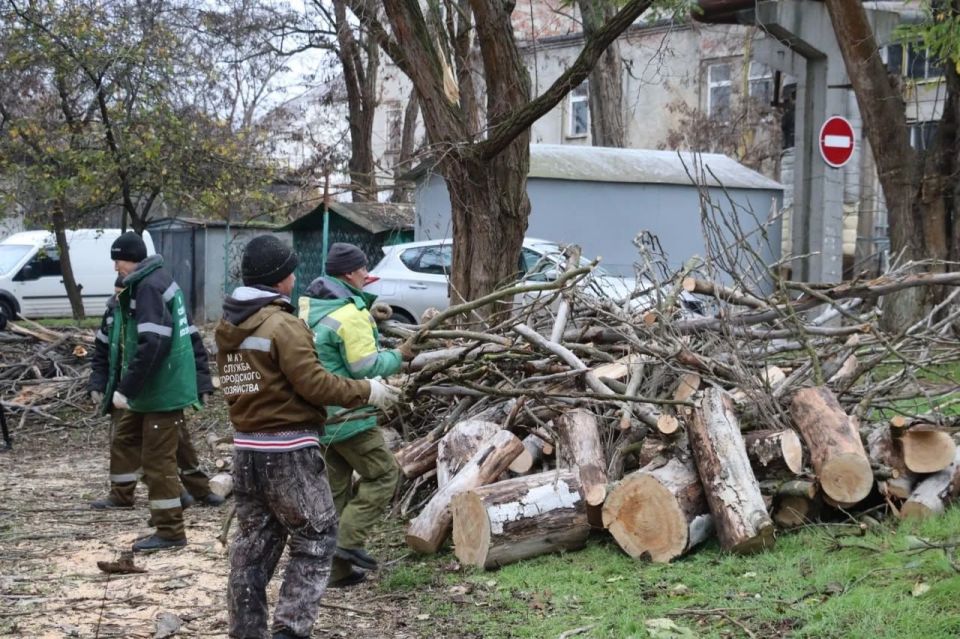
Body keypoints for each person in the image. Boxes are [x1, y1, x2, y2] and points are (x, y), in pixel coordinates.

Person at [215, 234, 400, 639]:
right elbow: (315, 385)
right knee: (317, 538)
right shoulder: (282, 324)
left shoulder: (229, 326)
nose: (296, 277)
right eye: (291, 271)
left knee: (252, 549)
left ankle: (246, 632)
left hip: (246, 449)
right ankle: (290, 632)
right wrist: (368, 391)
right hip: (289, 450)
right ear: (279, 278)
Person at [299, 242, 415, 587]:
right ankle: (346, 545)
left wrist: (372, 315)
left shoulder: (310, 309)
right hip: (350, 415)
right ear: (350, 273)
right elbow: (365, 364)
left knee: (336, 492)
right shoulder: (349, 316)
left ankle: (335, 573)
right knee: (384, 475)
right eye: (363, 269)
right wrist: (401, 354)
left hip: (319, 417)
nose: (367, 274)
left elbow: (335, 348)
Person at [93, 231, 200, 552]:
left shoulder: (149, 286)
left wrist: (126, 389)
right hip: (154, 389)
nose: (115, 267)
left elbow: (154, 341)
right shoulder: (154, 281)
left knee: (157, 461)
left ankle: (170, 530)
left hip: (159, 389)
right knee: (127, 438)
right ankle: (154, 500)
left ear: (134, 258)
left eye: (119, 259)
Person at [88, 276, 225, 513]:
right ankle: (123, 494)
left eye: (124, 294)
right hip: (124, 392)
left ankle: (199, 490)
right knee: (124, 443)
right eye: (117, 293)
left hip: (157, 391)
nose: (120, 298)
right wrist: (98, 383)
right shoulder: (111, 314)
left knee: (178, 443)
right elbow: (102, 353)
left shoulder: (153, 310)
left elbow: (192, 348)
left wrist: (202, 383)